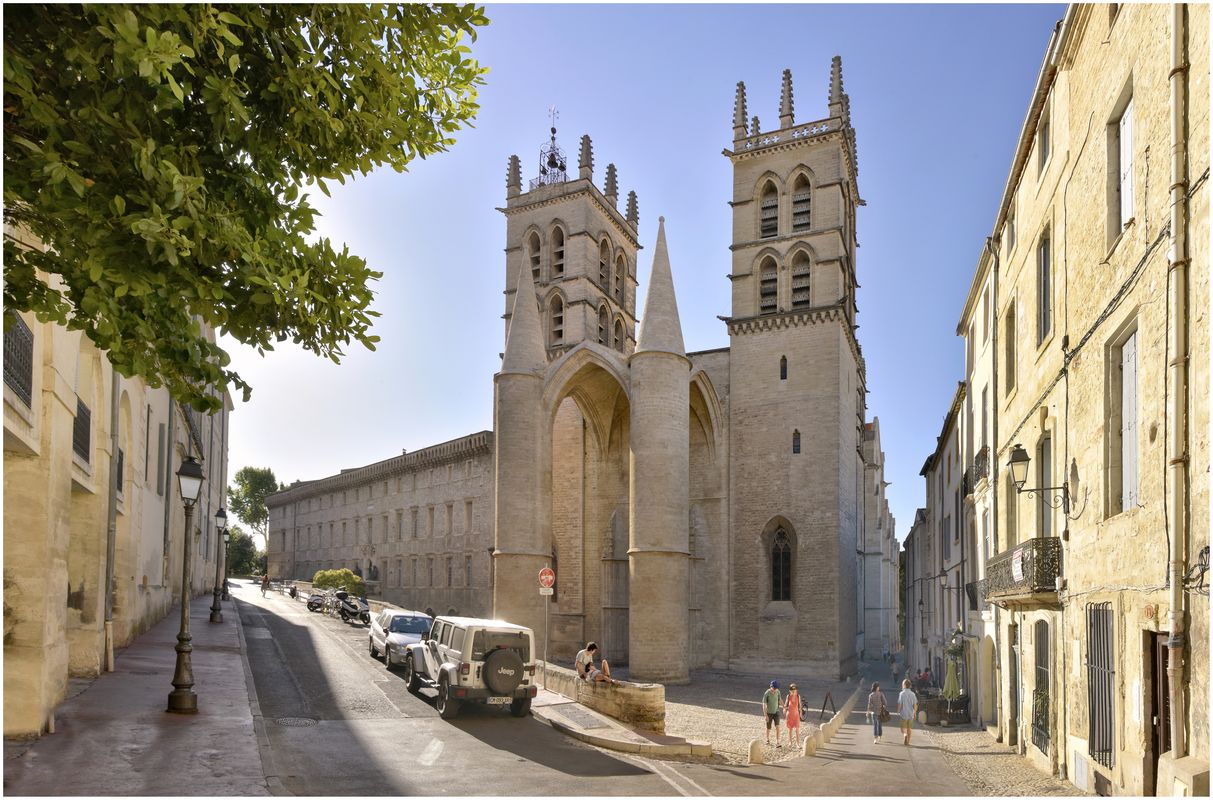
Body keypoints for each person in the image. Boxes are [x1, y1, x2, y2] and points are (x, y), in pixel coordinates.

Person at [898, 678, 919, 746]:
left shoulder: (901, 694)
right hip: (910, 714)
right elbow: (915, 705)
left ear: (903, 685)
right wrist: (915, 712)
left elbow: (900, 704)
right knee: (909, 729)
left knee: (902, 729)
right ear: (910, 686)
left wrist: (898, 710)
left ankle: (905, 735)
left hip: (903, 714)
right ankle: (908, 742)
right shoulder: (913, 694)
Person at [762, 680, 783, 747]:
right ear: (771, 687)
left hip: (776, 712)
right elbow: (764, 705)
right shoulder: (767, 693)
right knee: (768, 728)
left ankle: (777, 742)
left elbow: (780, 700)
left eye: (776, 688)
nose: (775, 689)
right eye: (774, 688)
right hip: (769, 713)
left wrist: (784, 706)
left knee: (777, 727)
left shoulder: (778, 691)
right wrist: (765, 715)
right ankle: (767, 740)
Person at [782, 682, 802, 748]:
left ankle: (798, 744)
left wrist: (801, 714)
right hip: (790, 715)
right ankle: (790, 742)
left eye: (795, 690)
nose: (793, 692)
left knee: (797, 730)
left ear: (796, 690)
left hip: (796, 715)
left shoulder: (798, 696)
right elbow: (785, 704)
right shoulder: (788, 696)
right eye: (792, 690)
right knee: (790, 730)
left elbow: (800, 706)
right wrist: (784, 710)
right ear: (790, 691)